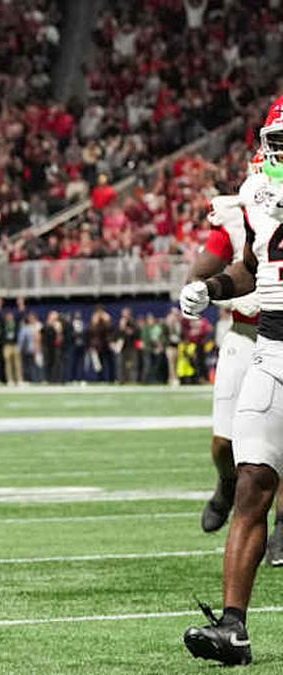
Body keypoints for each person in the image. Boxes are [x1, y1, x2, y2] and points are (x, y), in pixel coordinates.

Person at [179, 96, 283, 665]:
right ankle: (233, 629)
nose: (281, 153)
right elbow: (252, 266)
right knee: (251, 482)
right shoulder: (257, 196)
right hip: (272, 345)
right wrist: (214, 288)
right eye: (278, 141)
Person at [187, 192, 265, 538]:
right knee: (224, 443)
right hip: (247, 333)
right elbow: (219, 269)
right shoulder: (241, 217)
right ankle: (226, 483)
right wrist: (200, 287)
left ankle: (281, 528)